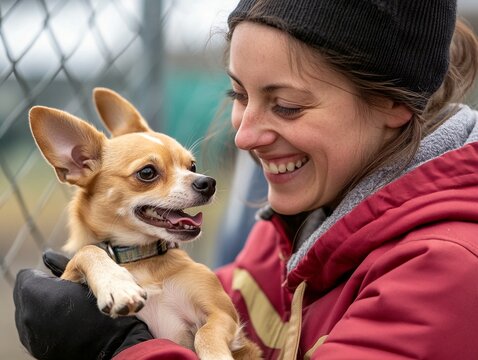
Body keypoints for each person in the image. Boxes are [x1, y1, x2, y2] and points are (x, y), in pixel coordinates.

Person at [14, 0, 478, 359]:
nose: (244, 136)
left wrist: (121, 349)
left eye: (287, 105)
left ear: (393, 104)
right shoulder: (294, 228)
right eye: (238, 93)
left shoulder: (449, 272)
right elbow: (199, 309)